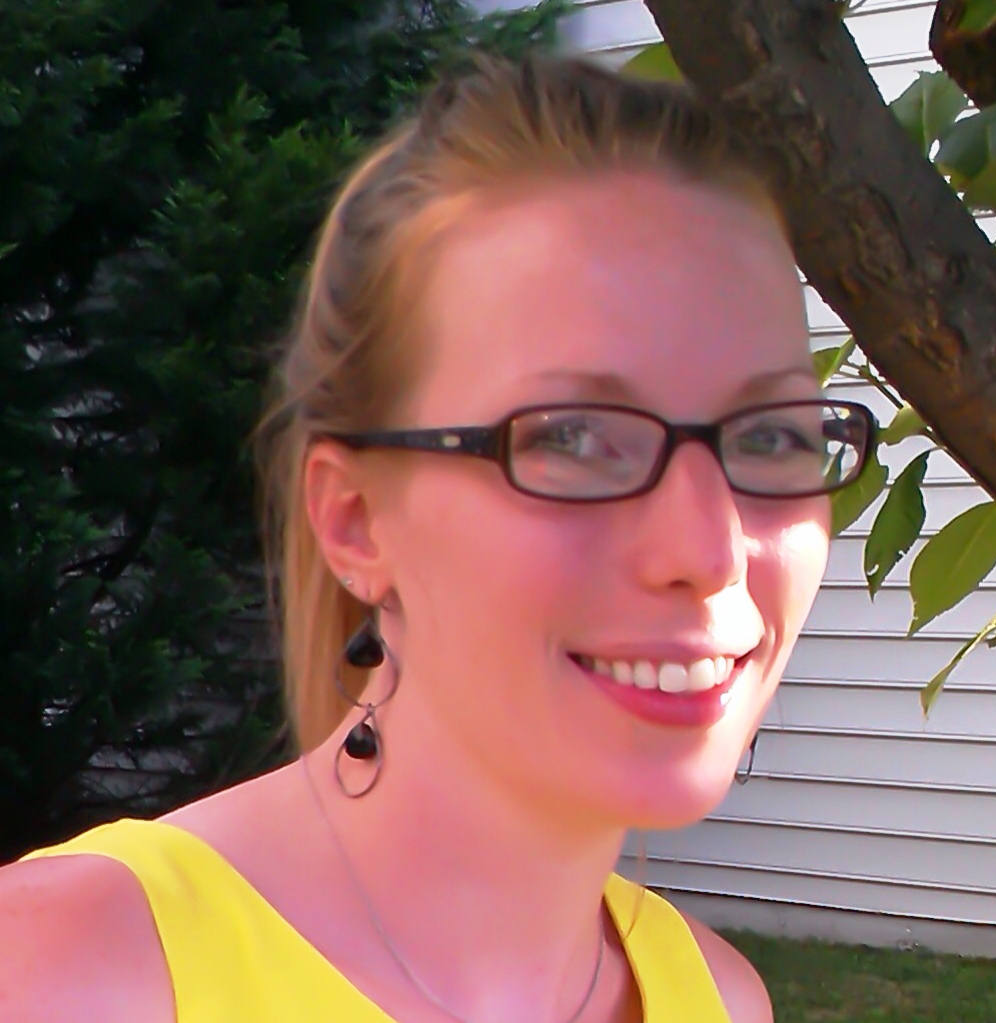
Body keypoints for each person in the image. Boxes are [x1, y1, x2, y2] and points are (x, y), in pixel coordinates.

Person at [0, 55, 875, 1023]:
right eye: (571, 438)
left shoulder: (712, 997)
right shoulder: (72, 976)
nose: (707, 551)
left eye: (770, 437)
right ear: (355, 520)